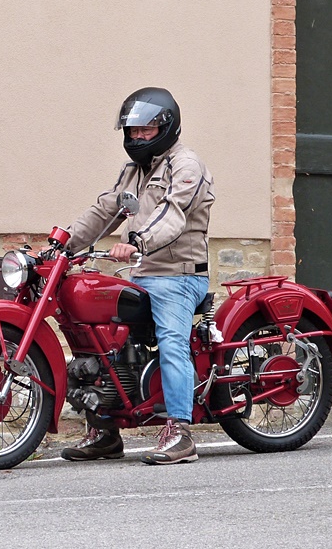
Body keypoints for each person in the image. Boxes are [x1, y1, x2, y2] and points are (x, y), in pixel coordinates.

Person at [60, 87, 215, 465]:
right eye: (132, 132)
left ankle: (179, 431)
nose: (137, 138)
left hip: (178, 276)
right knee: (99, 338)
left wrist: (137, 241)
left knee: (172, 341)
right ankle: (105, 431)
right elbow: (104, 211)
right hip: (142, 274)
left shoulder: (186, 164)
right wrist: (61, 245)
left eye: (145, 130)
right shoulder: (133, 171)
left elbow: (173, 213)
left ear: (166, 126)